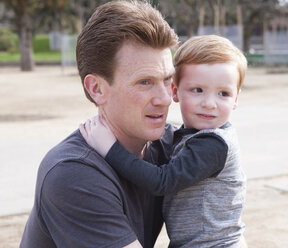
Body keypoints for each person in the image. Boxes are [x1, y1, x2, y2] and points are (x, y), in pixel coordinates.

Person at [20, 1, 178, 247]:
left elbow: (227, 231)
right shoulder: (72, 173)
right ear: (96, 89)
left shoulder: (175, 146)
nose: (166, 98)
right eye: (145, 82)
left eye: (167, 79)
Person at [80, 35, 248, 247]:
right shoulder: (192, 135)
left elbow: (162, 181)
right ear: (175, 92)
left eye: (223, 93)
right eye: (198, 90)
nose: (209, 104)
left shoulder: (214, 144)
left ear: (236, 99)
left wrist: (110, 149)